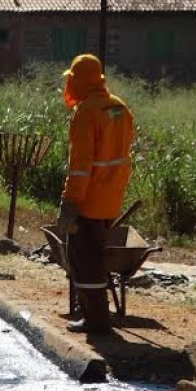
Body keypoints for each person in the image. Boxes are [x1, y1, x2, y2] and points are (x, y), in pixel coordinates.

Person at [57, 54, 134, 334]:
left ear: (79, 81)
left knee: (85, 262)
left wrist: (70, 202)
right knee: (96, 259)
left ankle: (96, 321)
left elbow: (80, 167)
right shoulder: (119, 108)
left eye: (71, 79)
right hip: (111, 200)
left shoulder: (86, 113)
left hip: (88, 202)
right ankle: (96, 317)